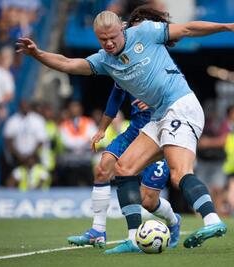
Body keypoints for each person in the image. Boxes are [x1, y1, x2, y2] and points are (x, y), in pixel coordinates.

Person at [17, 7, 234, 253]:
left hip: (180, 106)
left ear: (122, 27)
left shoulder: (146, 32)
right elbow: (68, 64)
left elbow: (189, 28)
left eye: (112, 37)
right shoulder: (105, 60)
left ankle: (213, 221)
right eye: (102, 39)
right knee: (123, 168)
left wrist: (227, 26)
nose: (108, 43)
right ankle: (134, 239)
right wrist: (38, 54)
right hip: (159, 115)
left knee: (179, 173)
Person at [67, 9, 180, 251]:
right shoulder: (119, 59)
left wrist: (153, 98)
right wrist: (101, 130)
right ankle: (99, 231)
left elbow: (174, 91)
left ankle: (173, 220)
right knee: (103, 168)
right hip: (135, 129)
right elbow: (116, 95)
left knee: (148, 201)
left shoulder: (155, 56)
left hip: (159, 130)